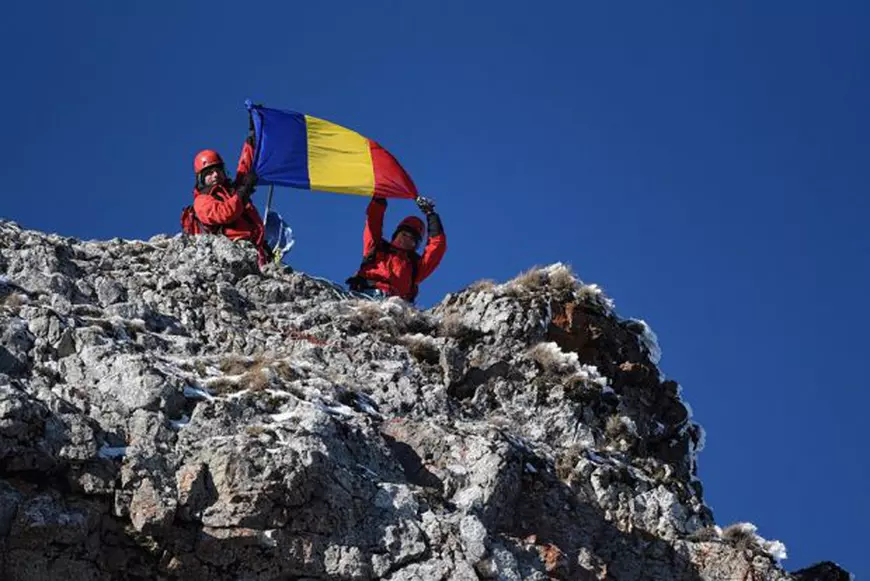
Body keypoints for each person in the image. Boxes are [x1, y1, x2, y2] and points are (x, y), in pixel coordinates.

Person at [190, 121, 269, 265]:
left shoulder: (232, 191)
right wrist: (243, 192)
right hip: (233, 252)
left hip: (255, 249)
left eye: (218, 170)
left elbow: (245, 165)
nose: (215, 175)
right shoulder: (201, 200)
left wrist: (252, 138)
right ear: (201, 179)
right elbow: (223, 213)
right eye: (209, 173)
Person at [347, 196, 446, 302]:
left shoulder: (415, 266)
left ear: (415, 245)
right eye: (404, 234)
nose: (406, 239)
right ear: (396, 235)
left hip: (394, 303)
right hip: (365, 294)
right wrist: (380, 197)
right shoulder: (376, 247)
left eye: (412, 238)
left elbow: (436, 248)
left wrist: (431, 215)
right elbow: (373, 221)